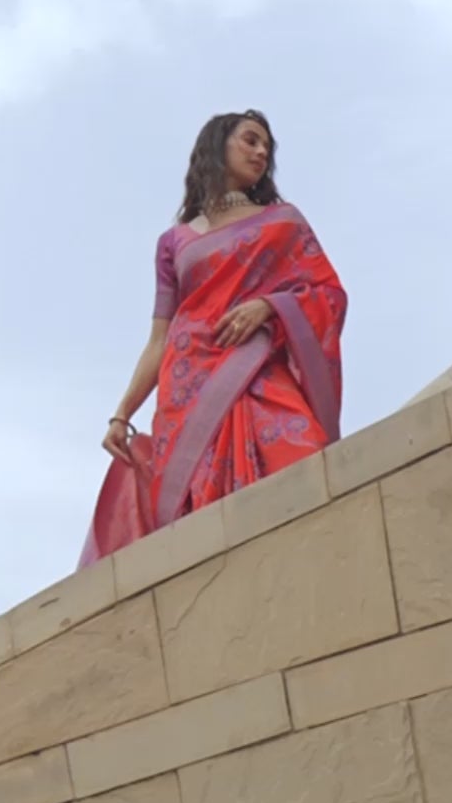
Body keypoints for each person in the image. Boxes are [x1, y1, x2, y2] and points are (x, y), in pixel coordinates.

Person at [80, 111, 347, 565]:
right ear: (217, 145)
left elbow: (327, 293)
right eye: (250, 140)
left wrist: (269, 307)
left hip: (258, 372)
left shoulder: (282, 222)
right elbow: (160, 337)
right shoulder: (174, 241)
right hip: (187, 388)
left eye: (267, 146)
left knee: (304, 465)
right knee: (198, 526)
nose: (261, 152)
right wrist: (122, 413)